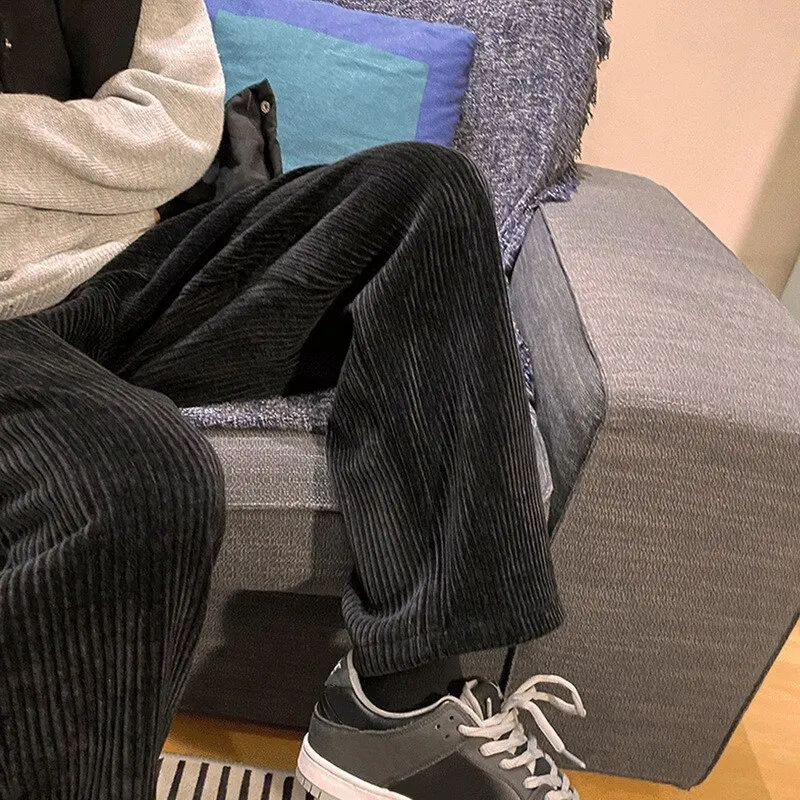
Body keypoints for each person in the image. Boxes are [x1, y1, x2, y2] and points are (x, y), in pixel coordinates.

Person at [0, 0, 587, 798]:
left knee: (427, 190)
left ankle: (403, 705)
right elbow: (137, 131)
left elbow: (178, 124)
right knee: (141, 479)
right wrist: (95, 140)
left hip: (125, 268)